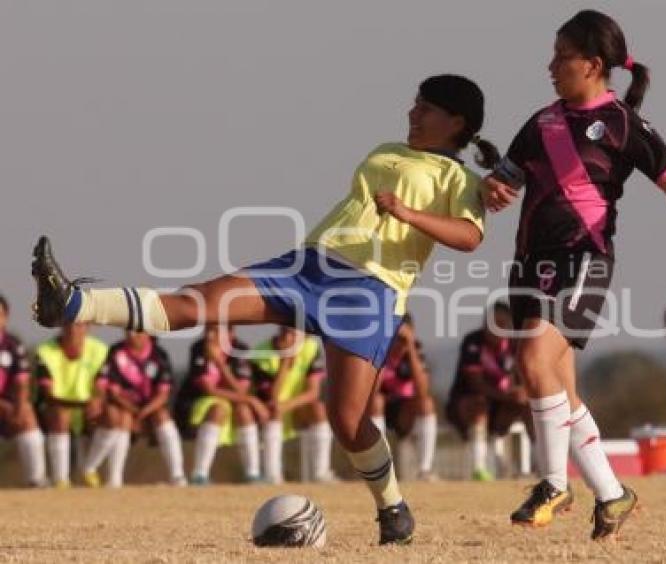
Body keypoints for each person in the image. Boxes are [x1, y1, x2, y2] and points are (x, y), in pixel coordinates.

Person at [31, 74, 497, 545]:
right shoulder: (388, 149)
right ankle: (72, 303)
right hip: (309, 264)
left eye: (425, 109)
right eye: (414, 104)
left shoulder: (461, 180)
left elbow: (469, 237)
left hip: (370, 291)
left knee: (347, 419)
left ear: (456, 121)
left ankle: (393, 508)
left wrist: (409, 214)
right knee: (201, 300)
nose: (412, 113)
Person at [483, 10, 666, 538]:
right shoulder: (540, 122)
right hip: (529, 263)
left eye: (560, 56)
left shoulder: (620, 122)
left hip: (582, 259)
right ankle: (613, 494)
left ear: (593, 64)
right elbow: (504, 179)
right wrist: (493, 191)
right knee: (558, 388)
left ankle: (552, 483)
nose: (550, 66)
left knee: (531, 358)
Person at [81, 330, 186, 487]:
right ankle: (114, 478)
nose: (131, 335)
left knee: (163, 416)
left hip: (149, 410)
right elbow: (111, 390)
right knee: (121, 417)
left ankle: (177, 475)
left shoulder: (159, 355)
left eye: (137, 331)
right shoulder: (117, 352)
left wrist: (144, 412)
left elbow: (163, 394)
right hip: (123, 406)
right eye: (128, 330)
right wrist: (132, 410)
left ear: (148, 334)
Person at [447, 302, 530, 481]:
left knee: (529, 404)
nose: (495, 328)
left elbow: (524, 378)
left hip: (501, 407)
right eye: (491, 323)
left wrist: (521, 392)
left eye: (501, 324)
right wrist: (506, 395)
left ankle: (541, 466)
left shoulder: (515, 346)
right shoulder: (473, 342)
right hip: (467, 404)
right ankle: (479, 468)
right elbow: (475, 383)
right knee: (480, 405)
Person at [175, 326, 267, 485]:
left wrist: (220, 363)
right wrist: (251, 400)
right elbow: (208, 389)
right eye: (209, 330)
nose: (210, 335)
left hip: (233, 400)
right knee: (218, 409)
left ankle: (252, 473)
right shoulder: (199, 348)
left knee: (244, 411)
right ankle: (200, 474)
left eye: (216, 331)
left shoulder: (240, 350)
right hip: (199, 400)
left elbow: (240, 389)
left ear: (231, 334)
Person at [250, 326, 333, 484]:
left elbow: (313, 392)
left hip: (295, 406)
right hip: (269, 409)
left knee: (318, 409)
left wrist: (287, 405)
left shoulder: (311, 347)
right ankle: (273, 475)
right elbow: (272, 396)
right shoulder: (261, 352)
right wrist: (286, 361)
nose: (291, 337)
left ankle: (321, 473)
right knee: (274, 411)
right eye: (287, 331)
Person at [34, 323, 108, 488]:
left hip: (87, 409)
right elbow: (48, 394)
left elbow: (101, 389)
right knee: (61, 415)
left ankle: (93, 471)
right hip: (55, 408)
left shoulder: (100, 350)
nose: (74, 330)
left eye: (79, 325)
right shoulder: (45, 351)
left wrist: (97, 402)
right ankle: (61, 480)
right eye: (69, 325)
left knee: (112, 416)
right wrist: (81, 405)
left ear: (89, 327)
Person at [377, 315, 439, 481]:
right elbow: (371, 390)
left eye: (403, 337)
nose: (399, 342)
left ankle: (425, 470)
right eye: (396, 337)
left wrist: (410, 348)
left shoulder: (415, 351)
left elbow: (422, 390)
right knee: (376, 401)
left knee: (426, 404)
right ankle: (379, 467)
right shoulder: (378, 348)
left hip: (405, 412)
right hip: (378, 410)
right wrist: (385, 351)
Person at [0, 295, 48, 487]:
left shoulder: (13, 344)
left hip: (8, 409)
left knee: (27, 414)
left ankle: (36, 480)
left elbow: (22, 381)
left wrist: (19, 407)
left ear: (6, 317)